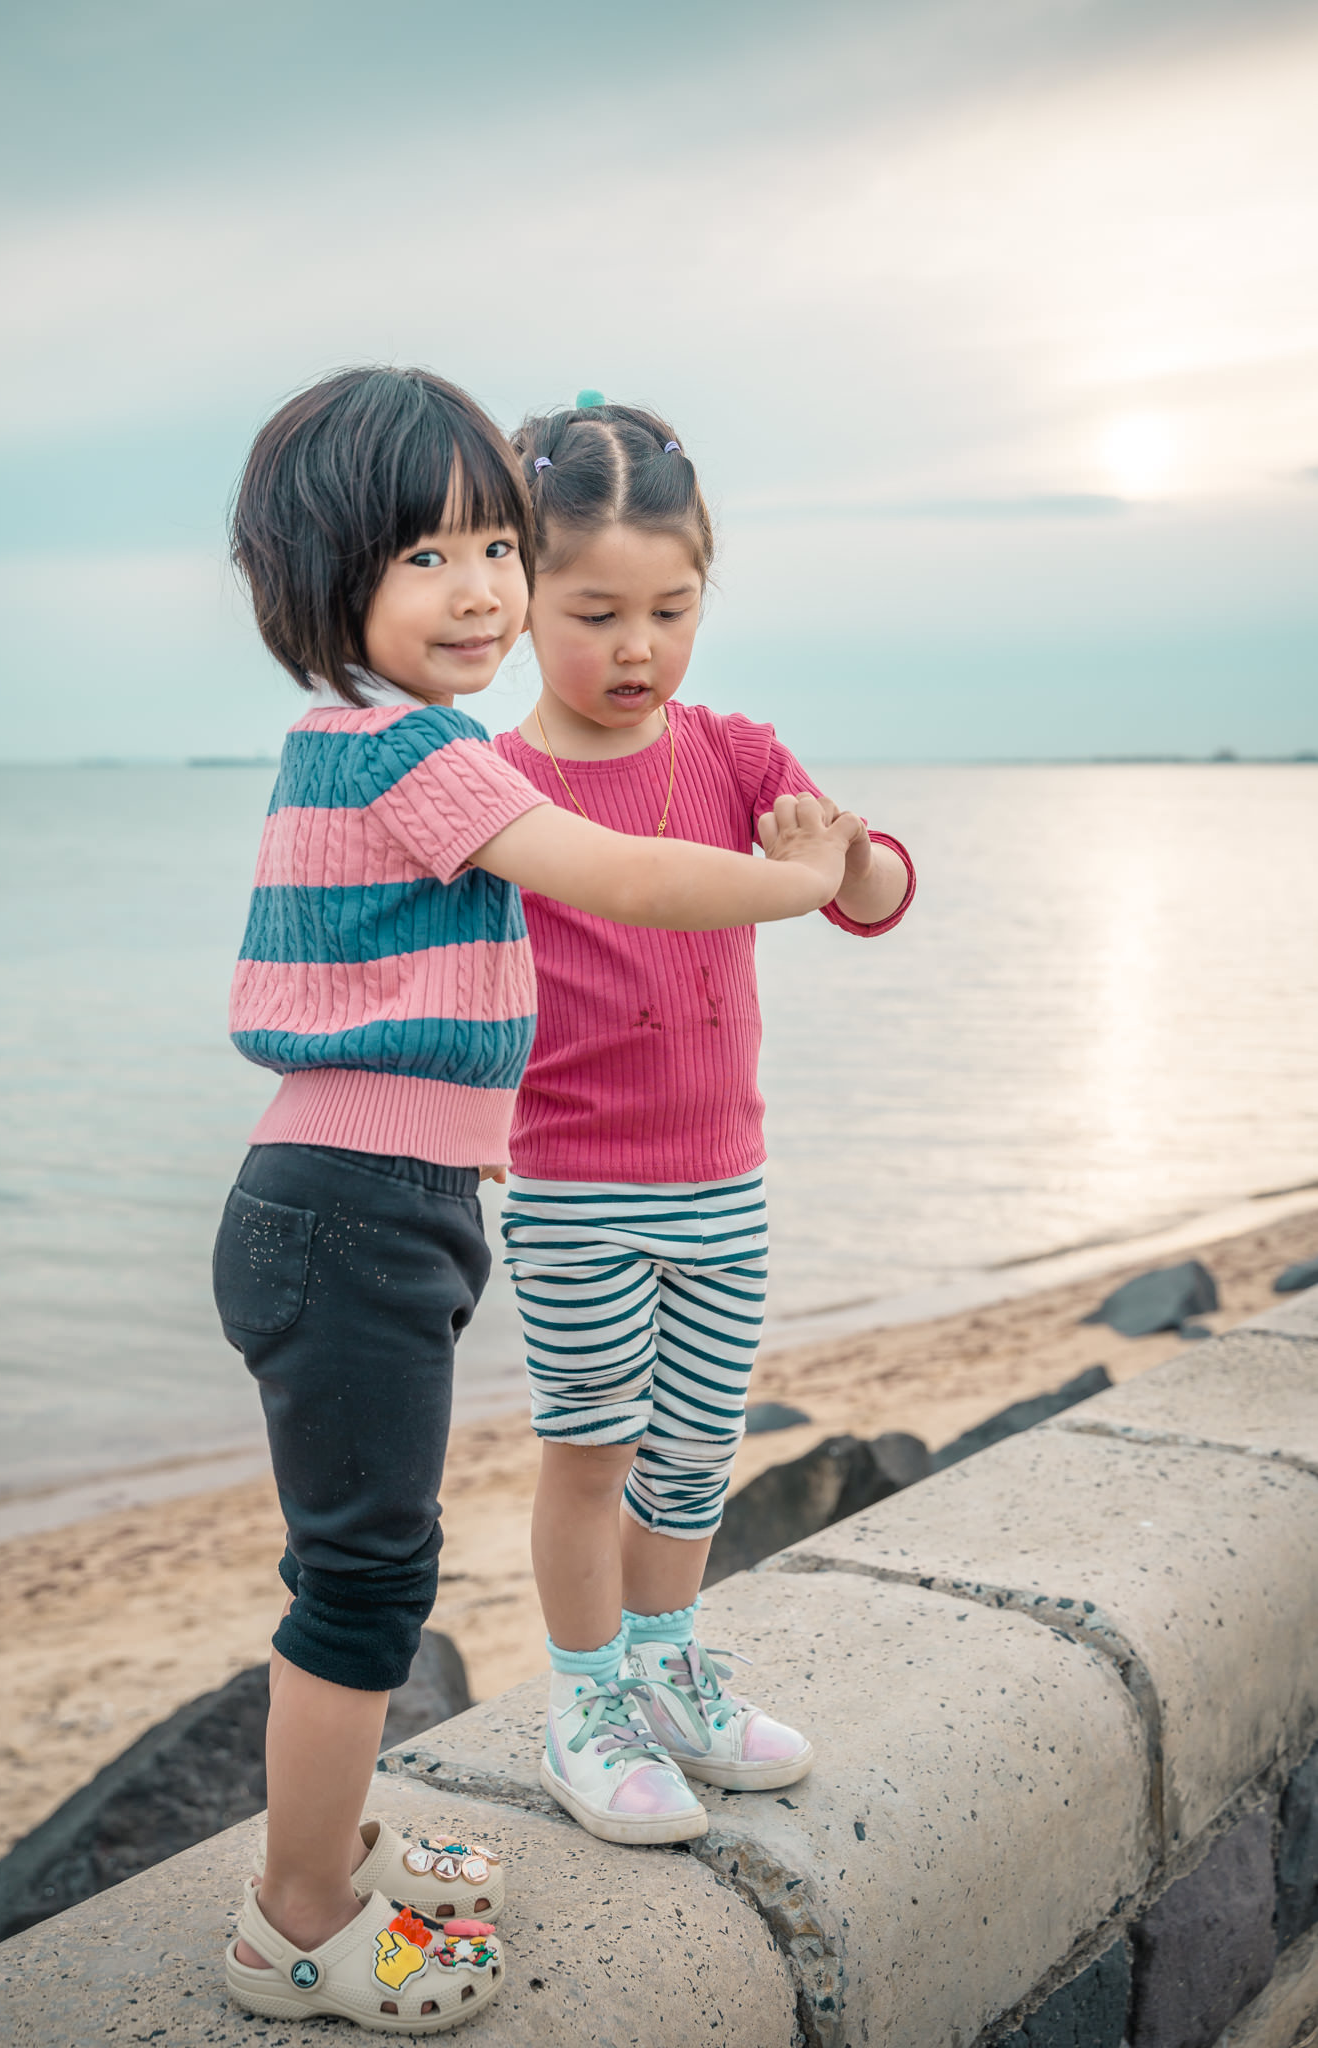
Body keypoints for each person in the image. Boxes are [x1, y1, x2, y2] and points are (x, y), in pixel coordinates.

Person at [211, 364, 863, 2034]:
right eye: (427, 556)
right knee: (362, 1586)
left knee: (372, 1568)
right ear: (323, 578)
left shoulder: (381, 746)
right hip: (349, 1210)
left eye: (496, 547)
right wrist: (792, 880)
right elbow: (619, 874)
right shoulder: (406, 750)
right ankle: (299, 1924)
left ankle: (331, 1854)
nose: (480, 589)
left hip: (384, 1200)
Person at [496, 394, 916, 1847]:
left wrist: (837, 853)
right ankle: (585, 1706)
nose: (637, 648)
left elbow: (871, 892)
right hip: (572, 1188)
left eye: (669, 612)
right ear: (520, 597)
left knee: (693, 1451)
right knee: (589, 1448)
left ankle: (667, 1673)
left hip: (723, 1180)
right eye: (596, 613)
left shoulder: (732, 751)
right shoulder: (501, 786)